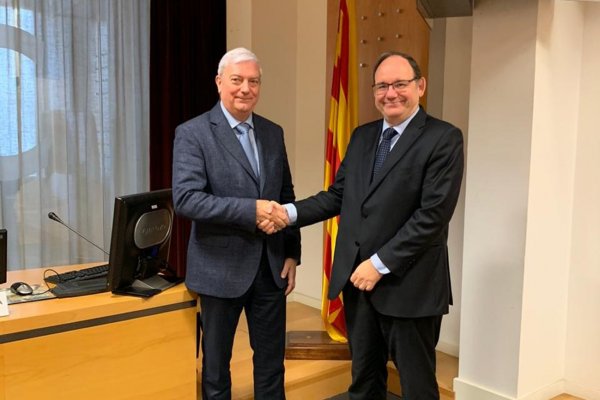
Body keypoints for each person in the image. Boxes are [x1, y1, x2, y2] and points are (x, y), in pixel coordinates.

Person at [270, 51, 464, 399]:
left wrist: (378, 265)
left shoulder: (443, 138)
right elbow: (338, 196)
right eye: (382, 86)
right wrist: (287, 214)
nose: (391, 93)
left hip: (410, 286)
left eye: (400, 84)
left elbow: (432, 217)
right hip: (358, 285)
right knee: (364, 381)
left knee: (417, 386)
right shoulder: (362, 136)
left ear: (420, 86)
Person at [172, 47, 301, 400]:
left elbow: (286, 195)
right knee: (216, 369)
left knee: (272, 366)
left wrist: (292, 252)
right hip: (218, 270)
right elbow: (187, 199)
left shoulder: (273, 132)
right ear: (219, 82)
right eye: (237, 80)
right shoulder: (193, 133)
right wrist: (251, 211)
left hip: (271, 267)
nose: (246, 88)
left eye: (253, 81)